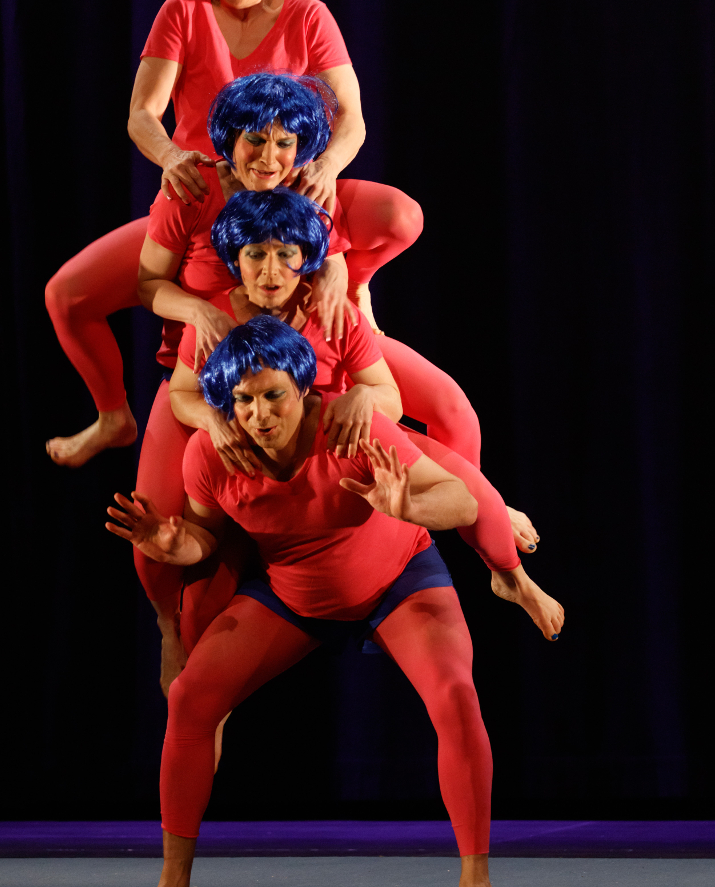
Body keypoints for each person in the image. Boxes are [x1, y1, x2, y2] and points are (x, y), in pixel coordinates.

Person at [104, 316, 527, 887]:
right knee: (191, 698)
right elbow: (207, 536)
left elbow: (461, 500)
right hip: (293, 595)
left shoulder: (350, 427)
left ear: (303, 388)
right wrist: (173, 545)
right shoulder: (212, 452)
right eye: (243, 401)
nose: (259, 415)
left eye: (273, 395)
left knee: (456, 695)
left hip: (398, 582)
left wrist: (408, 503)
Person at [45, 0, 423, 469]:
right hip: (207, 196)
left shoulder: (308, 15)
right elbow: (142, 114)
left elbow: (352, 118)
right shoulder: (182, 10)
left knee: (399, 215)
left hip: (290, 192)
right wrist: (173, 158)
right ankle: (114, 417)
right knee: (67, 296)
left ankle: (351, 280)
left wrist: (325, 168)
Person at [168, 188, 563, 653]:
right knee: (188, 582)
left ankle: (512, 578)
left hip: (342, 437)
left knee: (478, 495)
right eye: (256, 255)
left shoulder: (333, 312)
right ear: (236, 258)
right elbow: (180, 394)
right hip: (258, 449)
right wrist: (212, 419)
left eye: (285, 255)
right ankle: (176, 648)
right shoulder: (211, 321)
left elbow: (388, 397)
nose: (271, 271)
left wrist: (363, 396)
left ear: (305, 258)